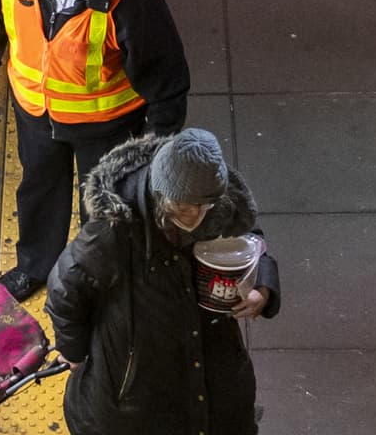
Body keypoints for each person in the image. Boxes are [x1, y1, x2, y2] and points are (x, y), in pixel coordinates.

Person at [0, 0, 190, 301]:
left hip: (106, 122)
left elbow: (164, 63)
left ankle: (100, 275)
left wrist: (161, 138)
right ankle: (35, 266)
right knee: (37, 190)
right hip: (37, 112)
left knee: (103, 203)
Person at [44, 128, 282, 435]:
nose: (195, 217)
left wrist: (263, 285)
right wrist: (74, 351)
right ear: (159, 194)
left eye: (203, 207)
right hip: (138, 385)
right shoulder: (115, 230)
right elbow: (65, 288)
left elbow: (251, 243)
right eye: (183, 208)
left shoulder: (217, 203)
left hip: (212, 362)